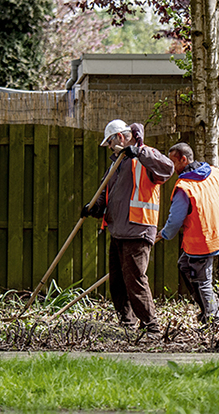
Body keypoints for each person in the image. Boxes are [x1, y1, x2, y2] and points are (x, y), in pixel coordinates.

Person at [81, 119, 174, 334]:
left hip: (138, 227)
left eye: (110, 142)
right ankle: (127, 324)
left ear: (120, 137)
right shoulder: (117, 163)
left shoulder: (144, 155)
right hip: (118, 229)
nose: (110, 147)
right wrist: (94, 207)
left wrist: (139, 153)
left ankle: (151, 327)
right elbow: (107, 193)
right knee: (117, 282)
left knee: (135, 279)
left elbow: (167, 168)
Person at [159, 142, 219, 327]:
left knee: (202, 280)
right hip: (215, 235)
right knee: (185, 266)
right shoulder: (213, 173)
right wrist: (215, 206)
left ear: (183, 159)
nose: (172, 166)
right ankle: (208, 309)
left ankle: (213, 320)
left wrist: (164, 234)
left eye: (173, 162)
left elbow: (175, 219)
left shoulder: (185, 186)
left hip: (201, 241)